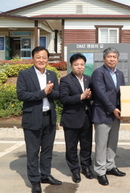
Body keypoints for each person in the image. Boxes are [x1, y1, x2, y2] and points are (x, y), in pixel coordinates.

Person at [17, 46, 62, 193]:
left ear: (47, 59)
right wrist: (43, 92)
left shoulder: (51, 74)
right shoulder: (25, 74)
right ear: (33, 58)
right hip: (32, 118)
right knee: (33, 151)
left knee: (47, 150)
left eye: (44, 57)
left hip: (49, 117)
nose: (41, 60)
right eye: (38, 57)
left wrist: (50, 92)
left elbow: (58, 94)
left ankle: (45, 175)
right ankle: (35, 180)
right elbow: (22, 95)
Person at [91, 47, 126, 186]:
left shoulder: (120, 74)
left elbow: (122, 93)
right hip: (103, 113)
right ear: (104, 59)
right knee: (101, 144)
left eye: (114, 57)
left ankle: (110, 166)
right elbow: (101, 93)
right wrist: (113, 109)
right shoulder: (98, 73)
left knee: (112, 142)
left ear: (117, 59)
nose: (112, 59)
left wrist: (125, 110)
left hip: (116, 114)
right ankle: (100, 171)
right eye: (109, 56)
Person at [59, 53, 93, 183]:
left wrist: (90, 96)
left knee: (86, 144)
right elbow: (64, 98)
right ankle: (74, 170)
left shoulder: (88, 79)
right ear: (71, 66)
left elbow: (93, 96)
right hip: (71, 118)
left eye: (82, 64)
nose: (79, 67)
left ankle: (86, 167)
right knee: (71, 146)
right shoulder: (66, 80)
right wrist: (81, 96)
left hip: (86, 117)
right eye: (76, 65)